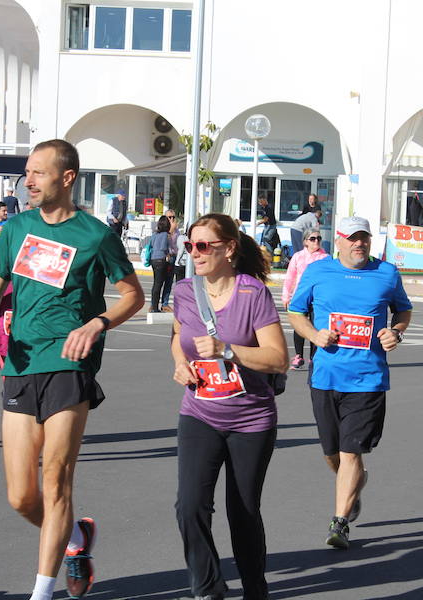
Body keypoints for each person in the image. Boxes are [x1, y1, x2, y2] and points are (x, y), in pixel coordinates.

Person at [0, 139, 144, 600]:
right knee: (20, 496)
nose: (27, 181)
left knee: (56, 481)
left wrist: (97, 323)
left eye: (38, 173)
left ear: (66, 178)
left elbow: (133, 295)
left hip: (70, 366)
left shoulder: (95, 235)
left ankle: (42, 592)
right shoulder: (15, 229)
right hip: (20, 364)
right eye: (26, 173)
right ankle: (74, 540)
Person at [171, 213, 288, 600]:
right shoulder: (185, 291)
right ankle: (207, 588)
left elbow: (278, 359)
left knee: (243, 513)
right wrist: (179, 363)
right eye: (190, 246)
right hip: (200, 411)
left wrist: (228, 351)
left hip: (250, 419)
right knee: (189, 505)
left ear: (229, 248)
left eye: (204, 246)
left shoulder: (253, 293)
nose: (195, 253)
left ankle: (255, 588)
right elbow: (178, 336)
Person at [287, 216, 413, 550]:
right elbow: (296, 312)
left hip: (368, 379)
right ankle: (355, 482)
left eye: (365, 238)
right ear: (338, 242)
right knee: (332, 454)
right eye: (353, 239)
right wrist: (315, 334)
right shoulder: (317, 272)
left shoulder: (386, 273)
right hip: (325, 377)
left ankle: (339, 522)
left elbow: (403, 312)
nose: (360, 244)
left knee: (350, 451)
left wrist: (395, 332)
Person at [282, 227, 329, 370]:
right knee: (299, 325)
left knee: (315, 326)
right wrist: (286, 296)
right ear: (305, 242)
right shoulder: (298, 256)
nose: (316, 242)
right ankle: (298, 356)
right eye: (313, 239)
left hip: (317, 298)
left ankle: (313, 358)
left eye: (319, 239)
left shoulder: (325, 257)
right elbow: (290, 277)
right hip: (300, 296)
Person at [149, 215, 173, 313]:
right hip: (161, 260)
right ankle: (155, 308)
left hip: (153, 259)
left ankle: (154, 305)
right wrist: (169, 252)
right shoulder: (166, 235)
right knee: (160, 283)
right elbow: (164, 247)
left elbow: (150, 244)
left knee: (156, 283)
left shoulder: (155, 234)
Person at [160, 209, 180, 312]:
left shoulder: (176, 229)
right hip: (164, 257)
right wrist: (171, 229)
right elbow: (165, 240)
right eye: (169, 217)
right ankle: (155, 304)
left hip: (173, 256)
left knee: (169, 281)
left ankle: (165, 303)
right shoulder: (163, 228)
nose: (171, 219)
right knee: (160, 282)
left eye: (173, 217)